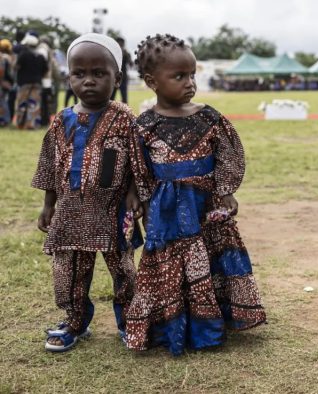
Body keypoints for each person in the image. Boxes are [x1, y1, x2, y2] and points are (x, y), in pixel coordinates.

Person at [125, 34, 266, 356]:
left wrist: (226, 189)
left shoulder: (209, 117)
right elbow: (138, 166)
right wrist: (139, 196)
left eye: (192, 75)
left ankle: (212, 324)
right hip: (167, 210)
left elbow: (229, 153)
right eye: (179, 76)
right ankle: (171, 325)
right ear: (152, 81)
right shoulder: (143, 126)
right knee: (171, 265)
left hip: (207, 204)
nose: (190, 83)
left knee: (212, 259)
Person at [31, 33, 143, 352]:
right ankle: (75, 321)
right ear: (69, 77)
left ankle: (130, 321)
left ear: (117, 77)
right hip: (70, 211)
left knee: (123, 269)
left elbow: (137, 161)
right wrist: (47, 205)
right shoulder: (62, 121)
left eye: (99, 73)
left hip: (113, 210)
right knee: (71, 272)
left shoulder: (124, 119)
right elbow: (50, 165)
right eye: (79, 74)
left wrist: (135, 194)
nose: (88, 81)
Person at [14, 33, 48, 129]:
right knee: (34, 104)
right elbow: (45, 69)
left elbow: (16, 67)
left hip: (24, 82)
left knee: (22, 104)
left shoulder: (24, 54)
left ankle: (20, 123)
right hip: (37, 82)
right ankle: (32, 124)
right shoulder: (41, 56)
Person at [110, 37, 131, 103]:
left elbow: (131, 64)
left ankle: (125, 112)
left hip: (123, 78)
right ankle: (109, 111)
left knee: (124, 97)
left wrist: (126, 55)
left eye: (122, 43)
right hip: (114, 77)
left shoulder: (126, 53)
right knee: (111, 97)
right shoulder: (112, 53)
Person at [0, 39, 14, 126]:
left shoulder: (3, 57)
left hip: (3, 82)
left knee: (3, 101)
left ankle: (6, 120)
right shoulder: (9, 57)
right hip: (7, 82)